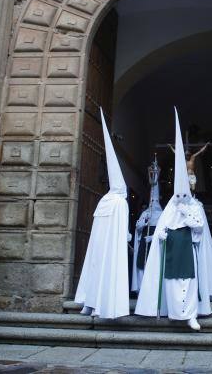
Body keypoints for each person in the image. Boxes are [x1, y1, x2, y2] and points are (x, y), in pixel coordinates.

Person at [135, 108, 212, 330]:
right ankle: (173, 312)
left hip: (188, 249)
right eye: (180, 195)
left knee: (190, 282)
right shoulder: (169, 208)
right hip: (173, 250)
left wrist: (188, 215)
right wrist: (162, 235)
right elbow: (161, 230)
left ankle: (191, 314)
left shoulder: (194, 205)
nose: (183, 197)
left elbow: (199, 227)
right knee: (172, 283)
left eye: (185, 194)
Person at [74, 108, 131, 319]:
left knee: (105, 272)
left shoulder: (119, 201)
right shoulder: (107, 199)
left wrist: (123, 236)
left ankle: (99, 305)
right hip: (98, 245)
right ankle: (89, 303)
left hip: (111, 246)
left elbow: (121, 225)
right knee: (94, 269)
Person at [132, 166, 163, 293]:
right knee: (142, 266)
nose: (153, 203)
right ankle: (142, 289)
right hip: (144, 243)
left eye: (155, 200)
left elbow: (165, 230)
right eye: (152, 200)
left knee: (155, 266)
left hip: (155, 244)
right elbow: (137, 228)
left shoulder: (163, 214)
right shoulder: (145, 213)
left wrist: (153, 237)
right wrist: (144, 222)